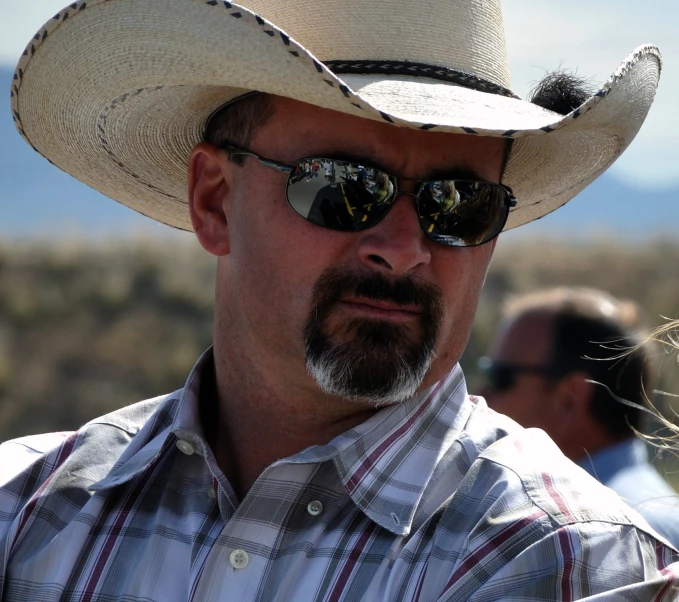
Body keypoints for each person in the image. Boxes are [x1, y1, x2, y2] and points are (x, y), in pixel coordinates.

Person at [1, 0, 676, 600]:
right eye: (343, 188)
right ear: (214, 198)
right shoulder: (23, 509)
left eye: (459, 204)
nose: (405, 248)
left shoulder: (556, 555)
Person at [480, 286, 679, 547]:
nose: (481, 396)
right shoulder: (656, 514)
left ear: (569, 397)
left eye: (500, 378)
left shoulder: (593, 534)